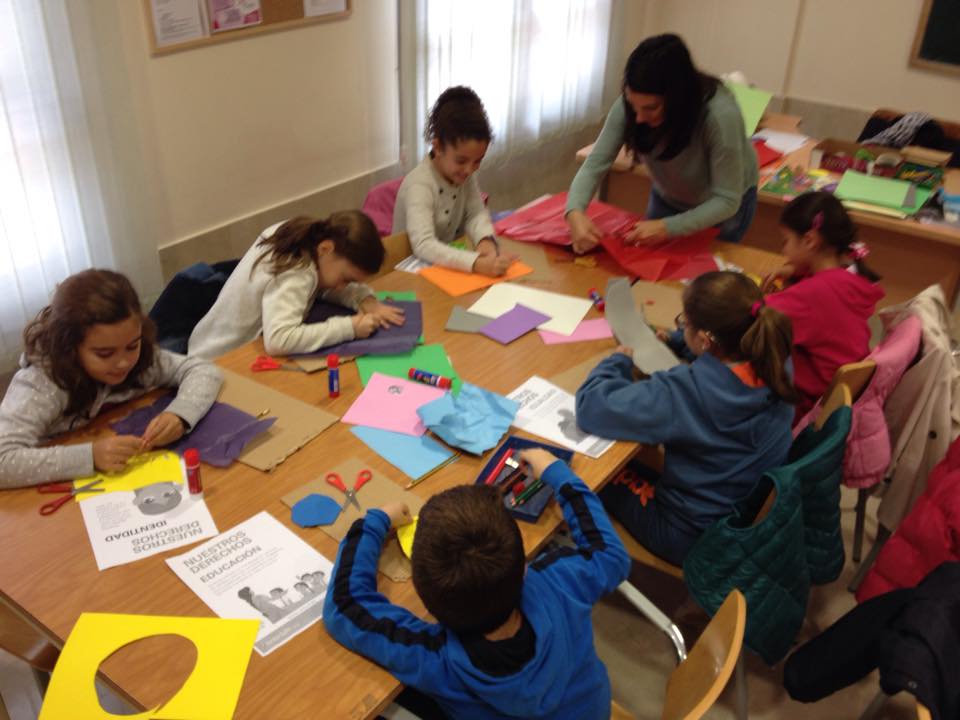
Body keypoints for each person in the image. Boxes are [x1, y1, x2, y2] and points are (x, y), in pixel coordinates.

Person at [323, 448, 629, 720]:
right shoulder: (561, 583)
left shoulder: (434, 659)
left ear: (419, 590)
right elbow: (609, 555)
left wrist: (375, 522)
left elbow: (345, 605)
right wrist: (555, 471)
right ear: (524, 568)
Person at [576, 271, 795, 565]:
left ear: (705, 339)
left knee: (592, 475)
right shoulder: (776, 356)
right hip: (743, 512)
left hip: (689, 535)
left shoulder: (687, 392)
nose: (682, 326)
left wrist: (618, 361)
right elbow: (723, 355)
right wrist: (679, 340)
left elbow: (591, 407)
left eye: (685, 324)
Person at [0, 269, 222, 489]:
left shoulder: (143, 359)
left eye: (132, 346)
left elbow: (203, 370)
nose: (123, 362)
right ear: (70, 347)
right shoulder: (41, 383)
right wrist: (91, 456)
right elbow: (3, 461)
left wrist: (180, 415)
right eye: (105, 354)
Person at [566, 34, 758, 253]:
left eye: (651, 108)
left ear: (678, 98)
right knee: (652, 262)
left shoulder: (720, 116)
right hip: (669, 195)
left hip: (721, 209)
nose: (639, 117)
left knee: (704, 271)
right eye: (633, 105)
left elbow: (726, 200)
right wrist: (575, 212)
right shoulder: (633, 104)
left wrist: (668, 227)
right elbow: (596, 163)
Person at [188, 210, 403, 359]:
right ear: (326, 248)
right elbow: (279, 340)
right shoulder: (296, 269)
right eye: (346, 279)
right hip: (219, 361)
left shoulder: (305, 236)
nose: (342, 287)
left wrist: (362, 298)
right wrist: (350, 328)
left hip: (213, 346)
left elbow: (321, 285)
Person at [762, 191, 884, 421]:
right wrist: (794, 269)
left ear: (809, 240)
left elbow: (753, 316)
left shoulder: (814, 294)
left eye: (785, 241)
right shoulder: (849, 274)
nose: (783, 251)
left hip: (803, 409)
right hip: (835, 401)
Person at [393, 86, 516, 277]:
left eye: (477, 161)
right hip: (409, 275)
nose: (469, 170)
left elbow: (475, 213)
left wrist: (485, 240)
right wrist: (475, 263)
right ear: (437, 147)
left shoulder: (463, 176)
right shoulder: (420, 184)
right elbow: (423, 244)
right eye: (461, 161)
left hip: (446, 270)